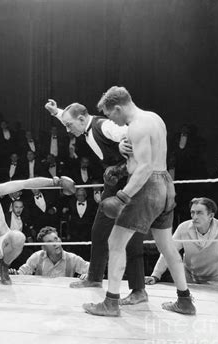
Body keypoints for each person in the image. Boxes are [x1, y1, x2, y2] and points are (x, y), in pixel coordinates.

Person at [83, 86, 195, 317]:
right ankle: (185, 300)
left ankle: (110, 303)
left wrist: (123, 196)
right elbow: (151, 159)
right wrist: (126, 160)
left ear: (117, 107)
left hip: (147, 187)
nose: (112, 120)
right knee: (167, 245)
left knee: (115, 243)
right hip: (165, 183)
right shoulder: (154, 118)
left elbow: (143, 168)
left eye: (111, 114)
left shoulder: (136, 126)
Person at [45, 98, 147, 305]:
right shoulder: (83, 124)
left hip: (130, 183)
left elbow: (138, 135)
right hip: (113, 183)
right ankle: (94, 277)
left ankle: (139, 290)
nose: (67, 130)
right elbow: (72, 116)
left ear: (82, 119)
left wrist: (124, 147)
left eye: (69, 126)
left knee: (132, 237)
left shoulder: (105, 126)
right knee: (99, 230)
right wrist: (57, 112)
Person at [146, 197, 218, 286]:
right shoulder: (183, 228)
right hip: (188, 277)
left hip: (215, 280)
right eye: (192, 212)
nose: (194, 217)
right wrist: (155, 275)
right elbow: (169, 252)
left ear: (211, 215)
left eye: (199, 213)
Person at [13, 226, 89, 278]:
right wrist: (14, 274)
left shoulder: (72, 259)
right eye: (50, 242)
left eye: (56, 238)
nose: (56, 243)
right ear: (43, 248)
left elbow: (94, 270)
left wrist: (88, 275)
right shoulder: (37, 257)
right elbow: (21, 273)